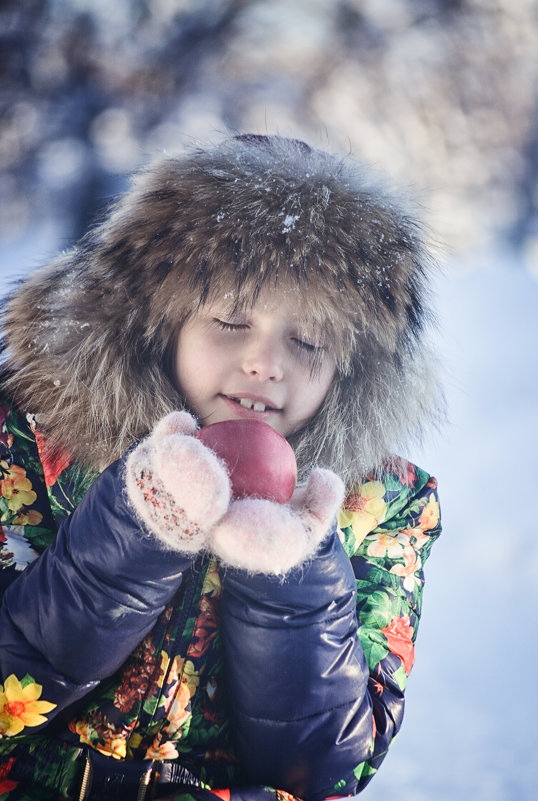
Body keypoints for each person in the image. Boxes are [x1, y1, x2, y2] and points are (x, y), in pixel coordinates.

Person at [0, 134, 443, 801]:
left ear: (350, 368)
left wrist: (291, 578)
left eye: (309, 339)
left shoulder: (380, 505)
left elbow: (330, 767)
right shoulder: (31, 443)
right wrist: (139, 525)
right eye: (232, 319)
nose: (267, 361)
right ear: (159, 322)